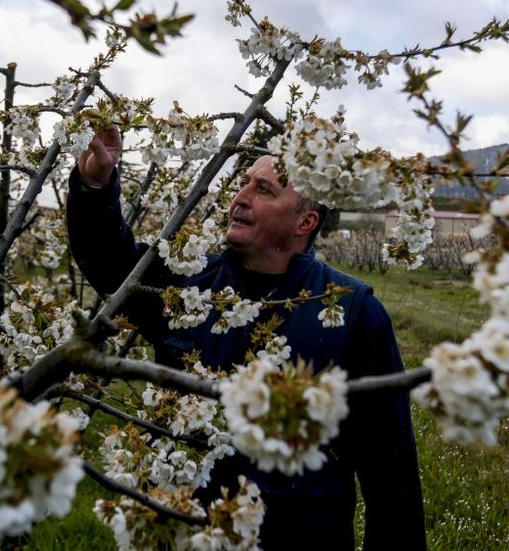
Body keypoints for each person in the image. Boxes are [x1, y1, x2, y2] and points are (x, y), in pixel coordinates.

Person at [66, 127, 426, 550]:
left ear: (304, 222)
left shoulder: (352, 313)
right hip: (184, 530)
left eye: (264, 189)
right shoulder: (187, 281)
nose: (240, 198)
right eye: (243, 184)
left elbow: (391, 471)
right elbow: (112, 266)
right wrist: (94, 185)